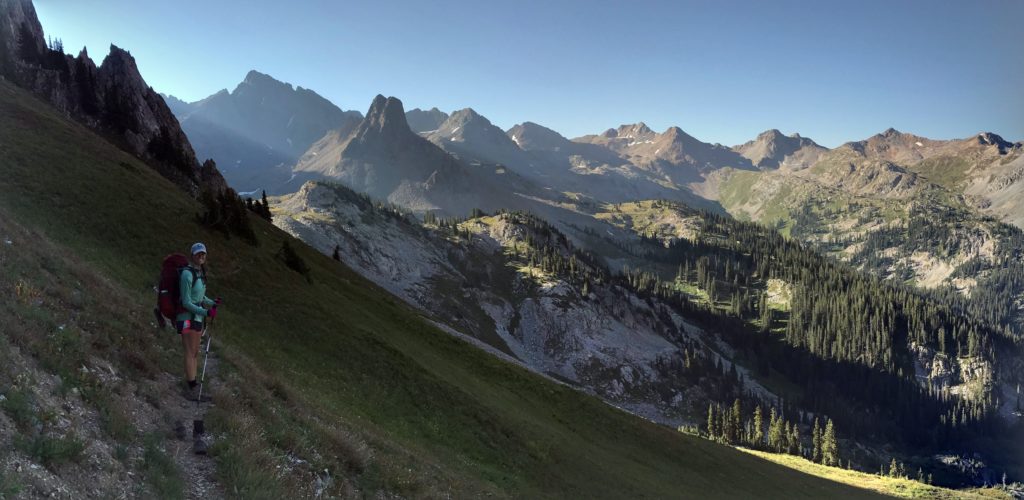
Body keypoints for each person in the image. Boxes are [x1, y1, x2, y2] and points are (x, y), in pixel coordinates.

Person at [176, 242, 219, 401]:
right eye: (198, 253)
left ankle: (193, 385)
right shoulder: (187, 274)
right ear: (192, 255)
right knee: (190, 352)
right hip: (187, 318)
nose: (201, 256)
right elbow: (186, 302)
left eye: (204, 254)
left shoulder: (199, 273)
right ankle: (191, 387)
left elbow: (200, 297)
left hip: (196, 318)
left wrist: (212, 302)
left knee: (195, 352)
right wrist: (206, 311)